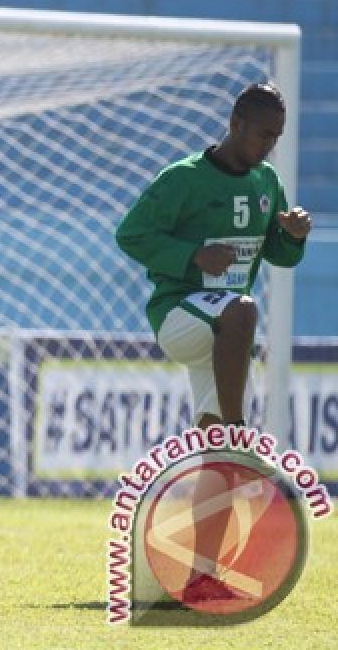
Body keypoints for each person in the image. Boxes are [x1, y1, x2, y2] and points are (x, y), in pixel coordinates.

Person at [115, 81, 310, 604]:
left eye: (277, 136)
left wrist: (292, 235)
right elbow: (130, 235)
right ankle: (242, 433)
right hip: (181, 317)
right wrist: (193, 257)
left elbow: (278, 256)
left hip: (225, 339)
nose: (269, 144)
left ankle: (201, 575)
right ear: (237, 123)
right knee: (244, 309)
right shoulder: (182, 180)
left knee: (215, 453)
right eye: (263, 133)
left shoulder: (267, 181)